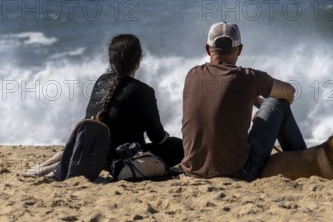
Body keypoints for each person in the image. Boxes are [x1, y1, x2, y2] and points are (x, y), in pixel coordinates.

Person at [182, 22, 307, 181]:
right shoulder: (248, 78)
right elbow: (289, 91)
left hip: (192, 170)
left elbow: (227, 95)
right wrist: (271, 115)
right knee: (278, 104)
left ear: (207, 49)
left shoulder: (192, 75)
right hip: (241, 171)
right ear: (240, 49)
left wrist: (260, 106)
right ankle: (303, 160)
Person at [85, 34, 184, 167]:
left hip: (97, 157)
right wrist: (166, 136)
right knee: (179, 146)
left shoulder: (101, 81)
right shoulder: (143, 91)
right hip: (124, 159)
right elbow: (157, 138)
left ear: (111, 60)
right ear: (138, 62)